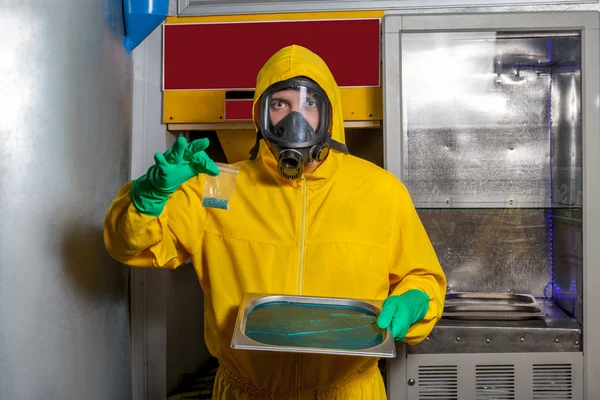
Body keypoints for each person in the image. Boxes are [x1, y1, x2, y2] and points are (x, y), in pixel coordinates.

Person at [104, 44, 446, 399]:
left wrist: (413, 303)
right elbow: (129, 245)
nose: (294, 119)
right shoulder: (217, 187)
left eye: (309, 103)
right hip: (246, 391)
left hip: (347, 391)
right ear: (261, 115)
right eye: (280, 104)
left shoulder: (381, 192)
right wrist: (149, 196)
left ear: (330, 115)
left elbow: (423, 277)